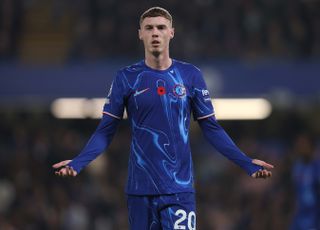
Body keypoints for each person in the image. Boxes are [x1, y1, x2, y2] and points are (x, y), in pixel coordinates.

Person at [53, 6, 273, 230]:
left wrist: (246, 162)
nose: (155, 33)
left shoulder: (190, 76)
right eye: (149, 28)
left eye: (161, 27)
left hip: (178, 189)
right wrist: (78, 162)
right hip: (139, 191)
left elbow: (212, 129)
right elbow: (106, 130)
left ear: (172, 33)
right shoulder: (126, 78)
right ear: (140, 33)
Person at [291, 133, 320, 230]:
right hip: (300, 214)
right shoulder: (297, 167)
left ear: (311, 146)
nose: (300, 147)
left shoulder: (317, 167)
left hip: (315, 214)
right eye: (298, 144)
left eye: (303, 144)